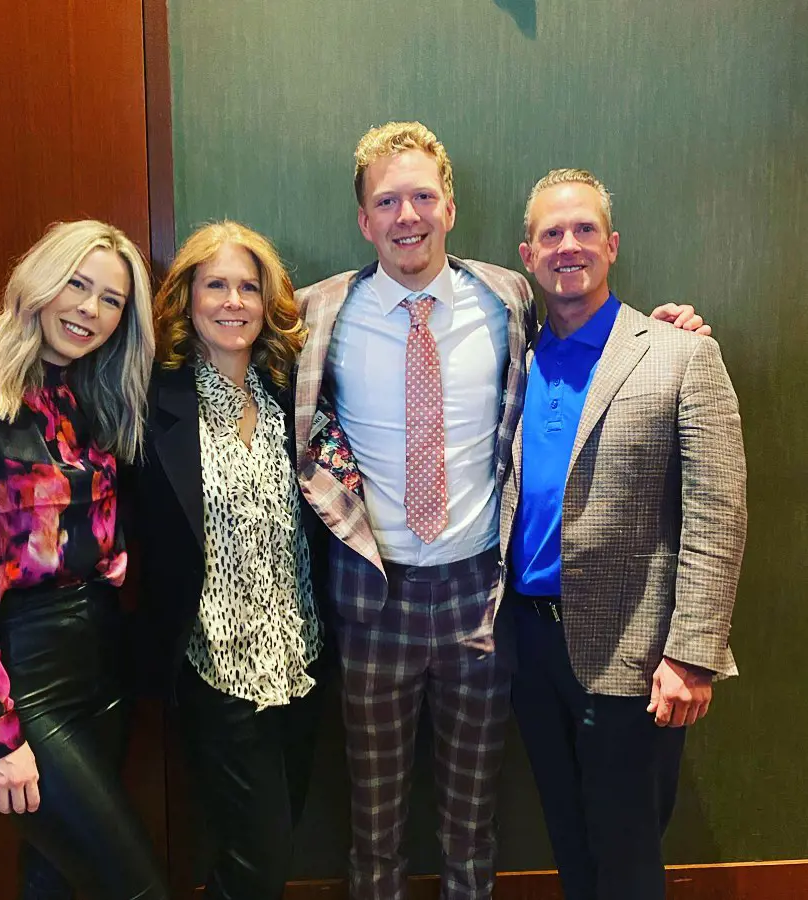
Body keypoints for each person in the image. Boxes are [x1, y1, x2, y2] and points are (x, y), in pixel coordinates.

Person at [293, 121, 709, 900]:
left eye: (422, 196)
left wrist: (668, 332)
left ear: (450, 206)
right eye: (387, 201)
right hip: (369, 593)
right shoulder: (318, 313)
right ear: (363, 220)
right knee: (373, 820)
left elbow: (593, 329)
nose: (407, 215)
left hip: (479, 601)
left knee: (470, 819)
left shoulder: (506, 295)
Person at [0, 220, 169, 900]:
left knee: (57, 877)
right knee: (133, 884)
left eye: (111, 300)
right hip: (25, 675)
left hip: (102, 658)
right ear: (37, 284)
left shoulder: (93, 400)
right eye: (76, 285)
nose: (89, 309)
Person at [506, 168, 747, 900]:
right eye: (552, 233)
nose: (568, 245)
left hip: (636, 654)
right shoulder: (514, 361)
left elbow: (719, 512)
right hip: (530, 644)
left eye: (584, 230)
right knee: (571, 847)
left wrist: (693, 655)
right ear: (528, 255)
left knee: (628, 858)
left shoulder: (680, 354)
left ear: (612, 246)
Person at [134, 221, 328, 900]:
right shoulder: (154, 404)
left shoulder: (289, 394)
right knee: (258, 862)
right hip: (216, 673)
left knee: (266, 854)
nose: (233, 301)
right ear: (186, 297)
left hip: (300, 662)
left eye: (249, 286)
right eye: (216, 284)